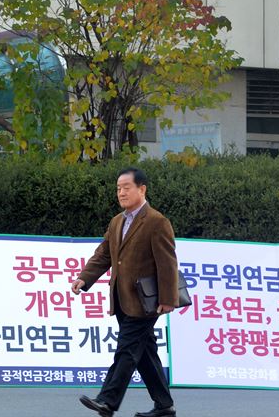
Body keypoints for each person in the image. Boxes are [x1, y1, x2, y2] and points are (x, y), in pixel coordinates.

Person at [71, 167, 179, 417]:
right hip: (122, 299)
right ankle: (164, 406)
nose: (121, 193)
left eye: (126, 187)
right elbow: (104, 255)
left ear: (142, 189)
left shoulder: (156, 221)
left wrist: (168, 298)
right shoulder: (117, 221)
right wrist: (84, 278)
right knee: (145, 353)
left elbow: (167, 262)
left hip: (146, 301)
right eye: (118, 188)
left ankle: (108, 400)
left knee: (127, 348)